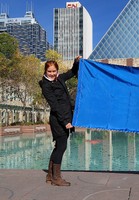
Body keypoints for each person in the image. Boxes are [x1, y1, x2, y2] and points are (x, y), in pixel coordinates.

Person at [39, 56, 82, 186]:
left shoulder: (60, 78)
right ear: (45, 72)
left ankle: (49, 175)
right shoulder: (46, 85)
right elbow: (55, 106)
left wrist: (76, 62)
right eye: (49, 71)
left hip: (66, 117)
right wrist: (65, 122)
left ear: (56, 70)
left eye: (53, 71)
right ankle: (56, 178)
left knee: (59, 146)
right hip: (58, 119)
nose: (52, 74)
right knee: (61, 147)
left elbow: (72, 72)